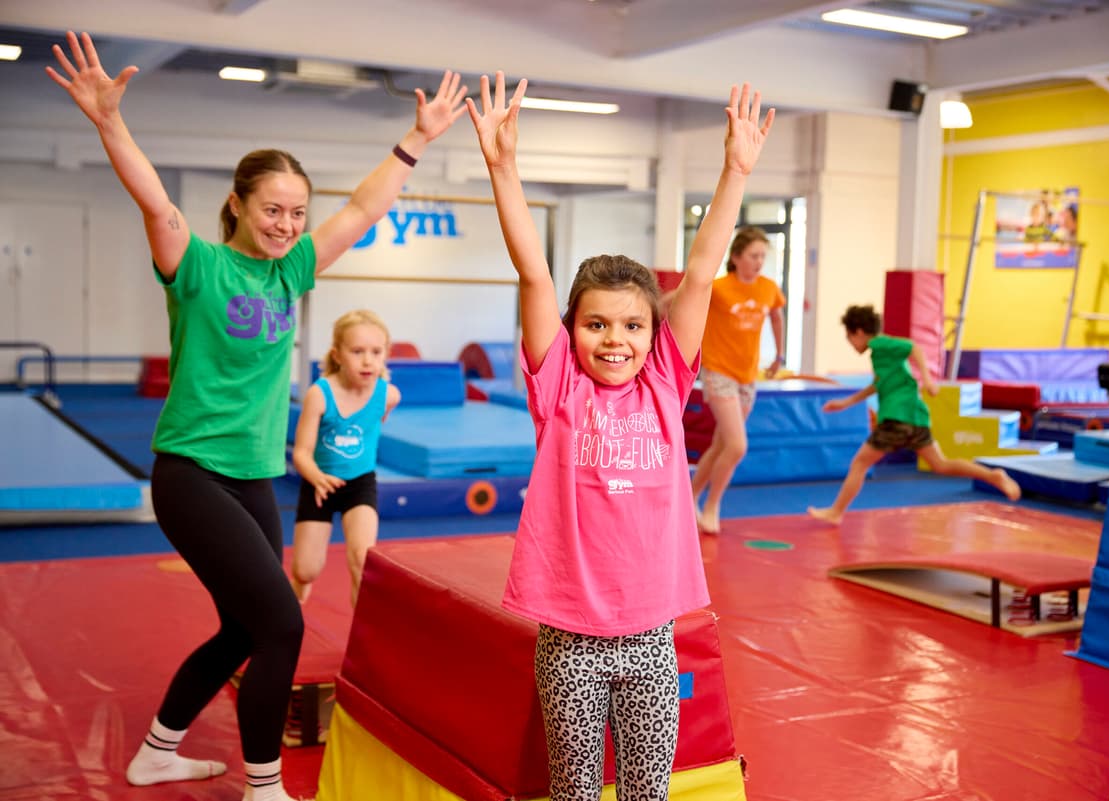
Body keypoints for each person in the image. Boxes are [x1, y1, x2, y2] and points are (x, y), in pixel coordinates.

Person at [46, 30, 466, 801]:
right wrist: (109, 122)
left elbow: (363, 208)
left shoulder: (292, 271)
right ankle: (265, 787)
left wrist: (417, 140)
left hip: (252, 478)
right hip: (191, 473)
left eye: (297, 213)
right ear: (237, 204)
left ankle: (157, 751)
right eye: (273, 209)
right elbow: (155, 200)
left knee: (246, 626)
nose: (286, 224)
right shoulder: (197, 266)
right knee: (281, 624)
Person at [466, 72, 772, 799]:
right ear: (571, 330)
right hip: (571, 639)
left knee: (646, 791)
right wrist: (503, 168)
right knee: (574, 789)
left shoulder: (664, 383)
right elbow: (533, 274)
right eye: (596, 324)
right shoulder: (559, 389)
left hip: (651, 638)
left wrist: (735, 171)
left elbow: (701, 274)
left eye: (633, 325)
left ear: (652, 333)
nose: (615, 340)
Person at [808, 304, 1021, 525]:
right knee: (940, 464)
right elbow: (879, 384)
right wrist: (846, 402)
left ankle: (836, 512)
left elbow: (913, 347)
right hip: (915, 417)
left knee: (860, 463)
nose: (851, 344)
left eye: (850, 338)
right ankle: (992, 475)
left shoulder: (879, 344)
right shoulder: (881, 356)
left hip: (896, 418)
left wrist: (927, 379)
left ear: (859, 332)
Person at [290, 309, 401, 608]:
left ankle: (360, 632)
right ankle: (297, 592)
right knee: (305, 569)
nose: (368, 361)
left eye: (376, 352)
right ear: (337, 355)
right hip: (319, 483)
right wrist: (316, 477)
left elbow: (378, 418)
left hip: (360, 483)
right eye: (357, 351)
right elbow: (301, 453)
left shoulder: (388, 395)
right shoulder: (319, 394)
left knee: (363, 561)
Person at [689, 225, 786, 534]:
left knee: (721, 445)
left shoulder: (768, 288)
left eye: (762, 256)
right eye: (753, 256)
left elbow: (776, 316)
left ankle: (688, 499)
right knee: (736, 445)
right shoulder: (719, 288)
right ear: (736, 257)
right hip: (718, 371)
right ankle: (712, 506)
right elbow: (682, 302)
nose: (759, 262)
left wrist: (779, 354)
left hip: (747, 375)